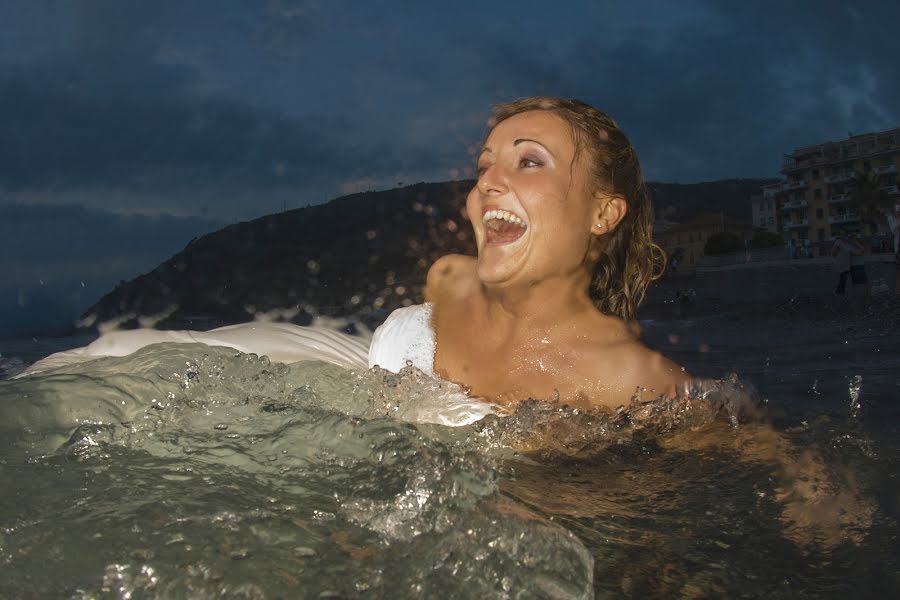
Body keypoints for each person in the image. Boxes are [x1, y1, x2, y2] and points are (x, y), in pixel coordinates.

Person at [375, 97, 688, 410]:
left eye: (529, 162)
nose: (485, 181)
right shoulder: (449, 280)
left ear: (603, 214)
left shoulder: (637, 382)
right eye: (484, 166)